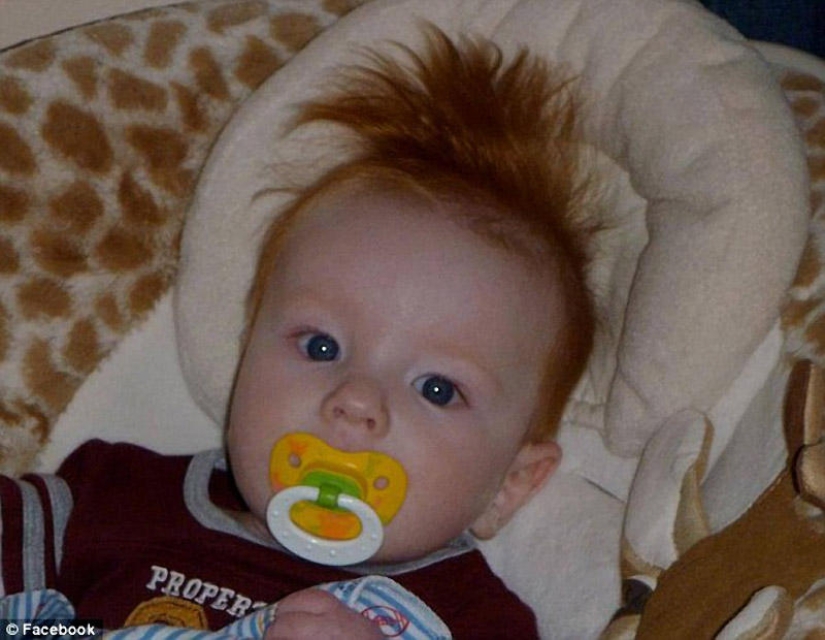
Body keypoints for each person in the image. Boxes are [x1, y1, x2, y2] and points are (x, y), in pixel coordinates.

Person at [0, 27, 598, 639]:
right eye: (322, 347)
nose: (357, 402)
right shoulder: (115, 496)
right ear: (245, 352)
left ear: (510, 484)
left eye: (438, 390)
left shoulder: (474, 621)